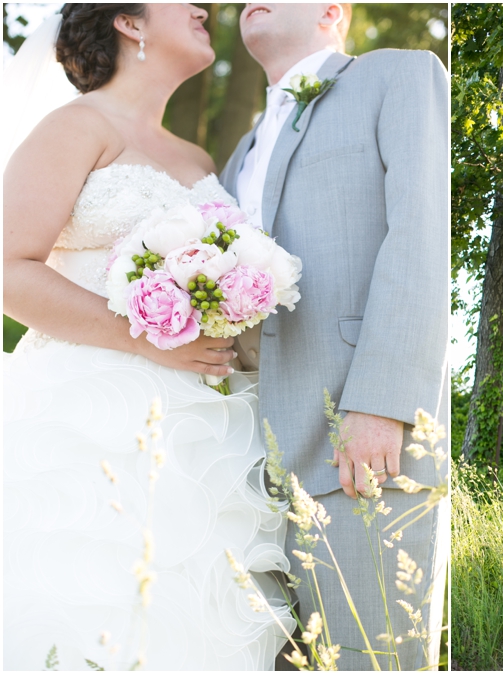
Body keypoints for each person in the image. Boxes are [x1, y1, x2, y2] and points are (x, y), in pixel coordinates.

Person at [3, 5, 293, 669]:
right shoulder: (75, 127)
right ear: (129, 24)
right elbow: (8, 272)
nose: (205, 8)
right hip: (91, 418)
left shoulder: (196, 156)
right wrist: (145, 339)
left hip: (205, 433)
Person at [219, 4, 449, 670]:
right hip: (249, 462)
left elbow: (421, 234)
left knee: (372, 658)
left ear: (331, 12)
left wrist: (381, 402)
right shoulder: (242, 149)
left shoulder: (399, 76)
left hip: (362, 440)